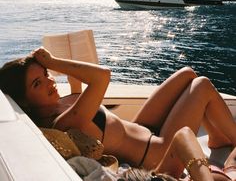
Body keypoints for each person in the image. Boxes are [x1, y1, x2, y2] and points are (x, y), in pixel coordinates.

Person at [0, 47, 236, 180]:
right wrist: (53, 61)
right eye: (37, 84)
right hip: (155, 151)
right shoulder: (63, 122)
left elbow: (82, 84)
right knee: (202, 85)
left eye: (46, 73)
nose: (50, 82)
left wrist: (56, 67)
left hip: (142, 127)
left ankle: (218, 138)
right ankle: (229, 141)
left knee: (187, 74)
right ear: (25, 102)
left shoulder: (60, 103)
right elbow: (102, 76)